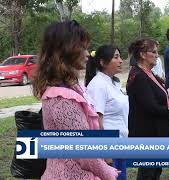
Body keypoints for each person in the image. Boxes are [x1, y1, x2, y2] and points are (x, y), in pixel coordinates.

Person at [32, 20, 119, 180]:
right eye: (82, 47)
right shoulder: (62, 98)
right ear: (66, 50)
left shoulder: (72, 88)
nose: (87, 54)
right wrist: (109, 172)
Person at [126, 38, 169, 180]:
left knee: (155, 171)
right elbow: (151, 106)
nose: (157, 55)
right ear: (143, 54)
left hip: (155, 131)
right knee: (148, 173)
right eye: (153, 52)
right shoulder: (139, 76)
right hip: (147, 134)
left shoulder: (148, 73)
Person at [86, 45, 128, 180]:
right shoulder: (98, 85)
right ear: (103, 62)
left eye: (120, 56)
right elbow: (96, 121)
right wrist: (106, 154)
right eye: (116, 57)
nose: (121, 60)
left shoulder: (114, 83)